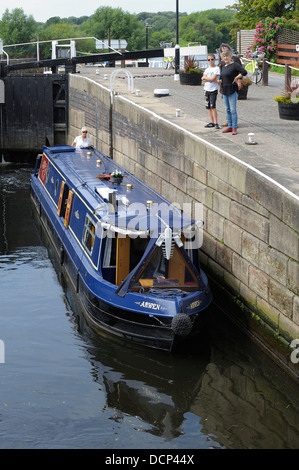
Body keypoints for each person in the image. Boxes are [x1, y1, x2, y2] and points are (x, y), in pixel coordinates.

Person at [218, 50, 247, 135]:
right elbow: (221, 77)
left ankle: (234, 127)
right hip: (225, 90)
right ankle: (229, 126)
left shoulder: (235, 65)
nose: (225, 58)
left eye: (227, 56)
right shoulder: (223, 66)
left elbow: (244, 72)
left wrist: (237, 78)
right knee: (227, 109)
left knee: (233, 109)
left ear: (230, 57)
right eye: (224, 56)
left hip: (232, 89)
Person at [202, 53, 220, 129]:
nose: (210, 61)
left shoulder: (216, 69)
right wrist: (212, 79)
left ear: (214, 60)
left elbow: (212, 78)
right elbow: (203, 78)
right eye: (209, 60)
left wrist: (208, 79)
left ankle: (216, 122)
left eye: (212, 59)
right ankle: (211, 121)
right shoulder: (207, 69)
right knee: (208, 107)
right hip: (206, 89)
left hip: (213, 90)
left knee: (213, 106)